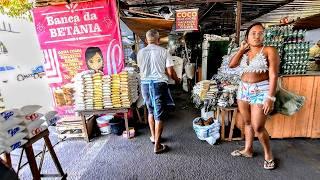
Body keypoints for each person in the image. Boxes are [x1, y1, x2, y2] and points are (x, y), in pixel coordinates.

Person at [228, 22, 280, 170]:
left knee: (258, 126)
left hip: (261, 90)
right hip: (243, 89)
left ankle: (268, 154)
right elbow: (231, 65)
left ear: (264, 35)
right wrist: (241, 50)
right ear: (247, 36)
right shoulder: (245, 52)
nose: (257, 36)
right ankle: (248, 150)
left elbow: (274, 74)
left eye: (260, 33)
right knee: (247, 122)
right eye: (253, 33)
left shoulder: (269, 50)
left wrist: (270, 98)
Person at [137, 29, 180, 154]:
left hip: (145, 84)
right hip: (158, 84)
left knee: (151, 111)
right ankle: (157, 145)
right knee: (159, 114)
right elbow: (170, 72)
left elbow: (142, 69)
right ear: (159, 40)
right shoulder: (163, 51)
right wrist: (177, 81)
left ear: (146, 40)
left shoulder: (140, 52)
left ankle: (153, 136)